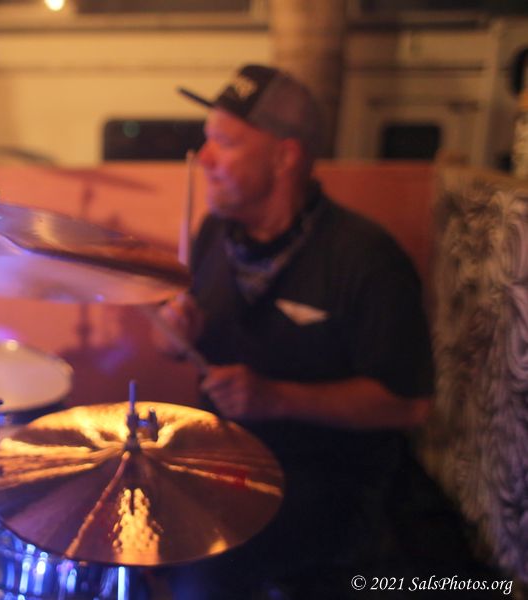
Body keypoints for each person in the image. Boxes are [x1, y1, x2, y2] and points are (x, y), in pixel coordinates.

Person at [156, 64, 436, 598]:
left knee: (199, 572)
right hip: (226, 464)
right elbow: (169, 341)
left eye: (225, 144)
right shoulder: (215, 231)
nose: (204, 159)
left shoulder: (364, 257)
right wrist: (172, 335)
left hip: (327, 486)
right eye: (207, 141)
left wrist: (276, 398)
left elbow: (409, 405)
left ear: (285, 157)